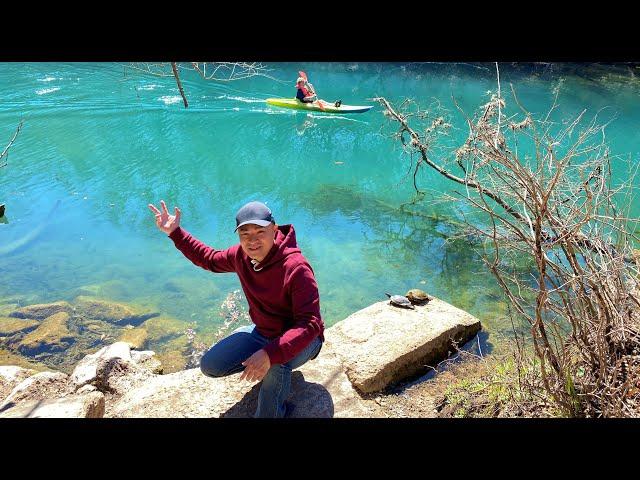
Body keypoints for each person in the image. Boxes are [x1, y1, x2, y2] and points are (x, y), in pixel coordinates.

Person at [147, 199, 324, 418]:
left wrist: (269, 354)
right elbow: (209, 259)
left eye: (260, 231)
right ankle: (262, 357)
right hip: (263, 332)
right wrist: (175, 232)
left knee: (276, 362)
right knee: (210, 365)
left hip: (306, 342)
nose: (253, 241)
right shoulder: (241, 256)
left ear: (275, 229)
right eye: (245, 234)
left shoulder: (296, 268)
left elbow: (310, 323)